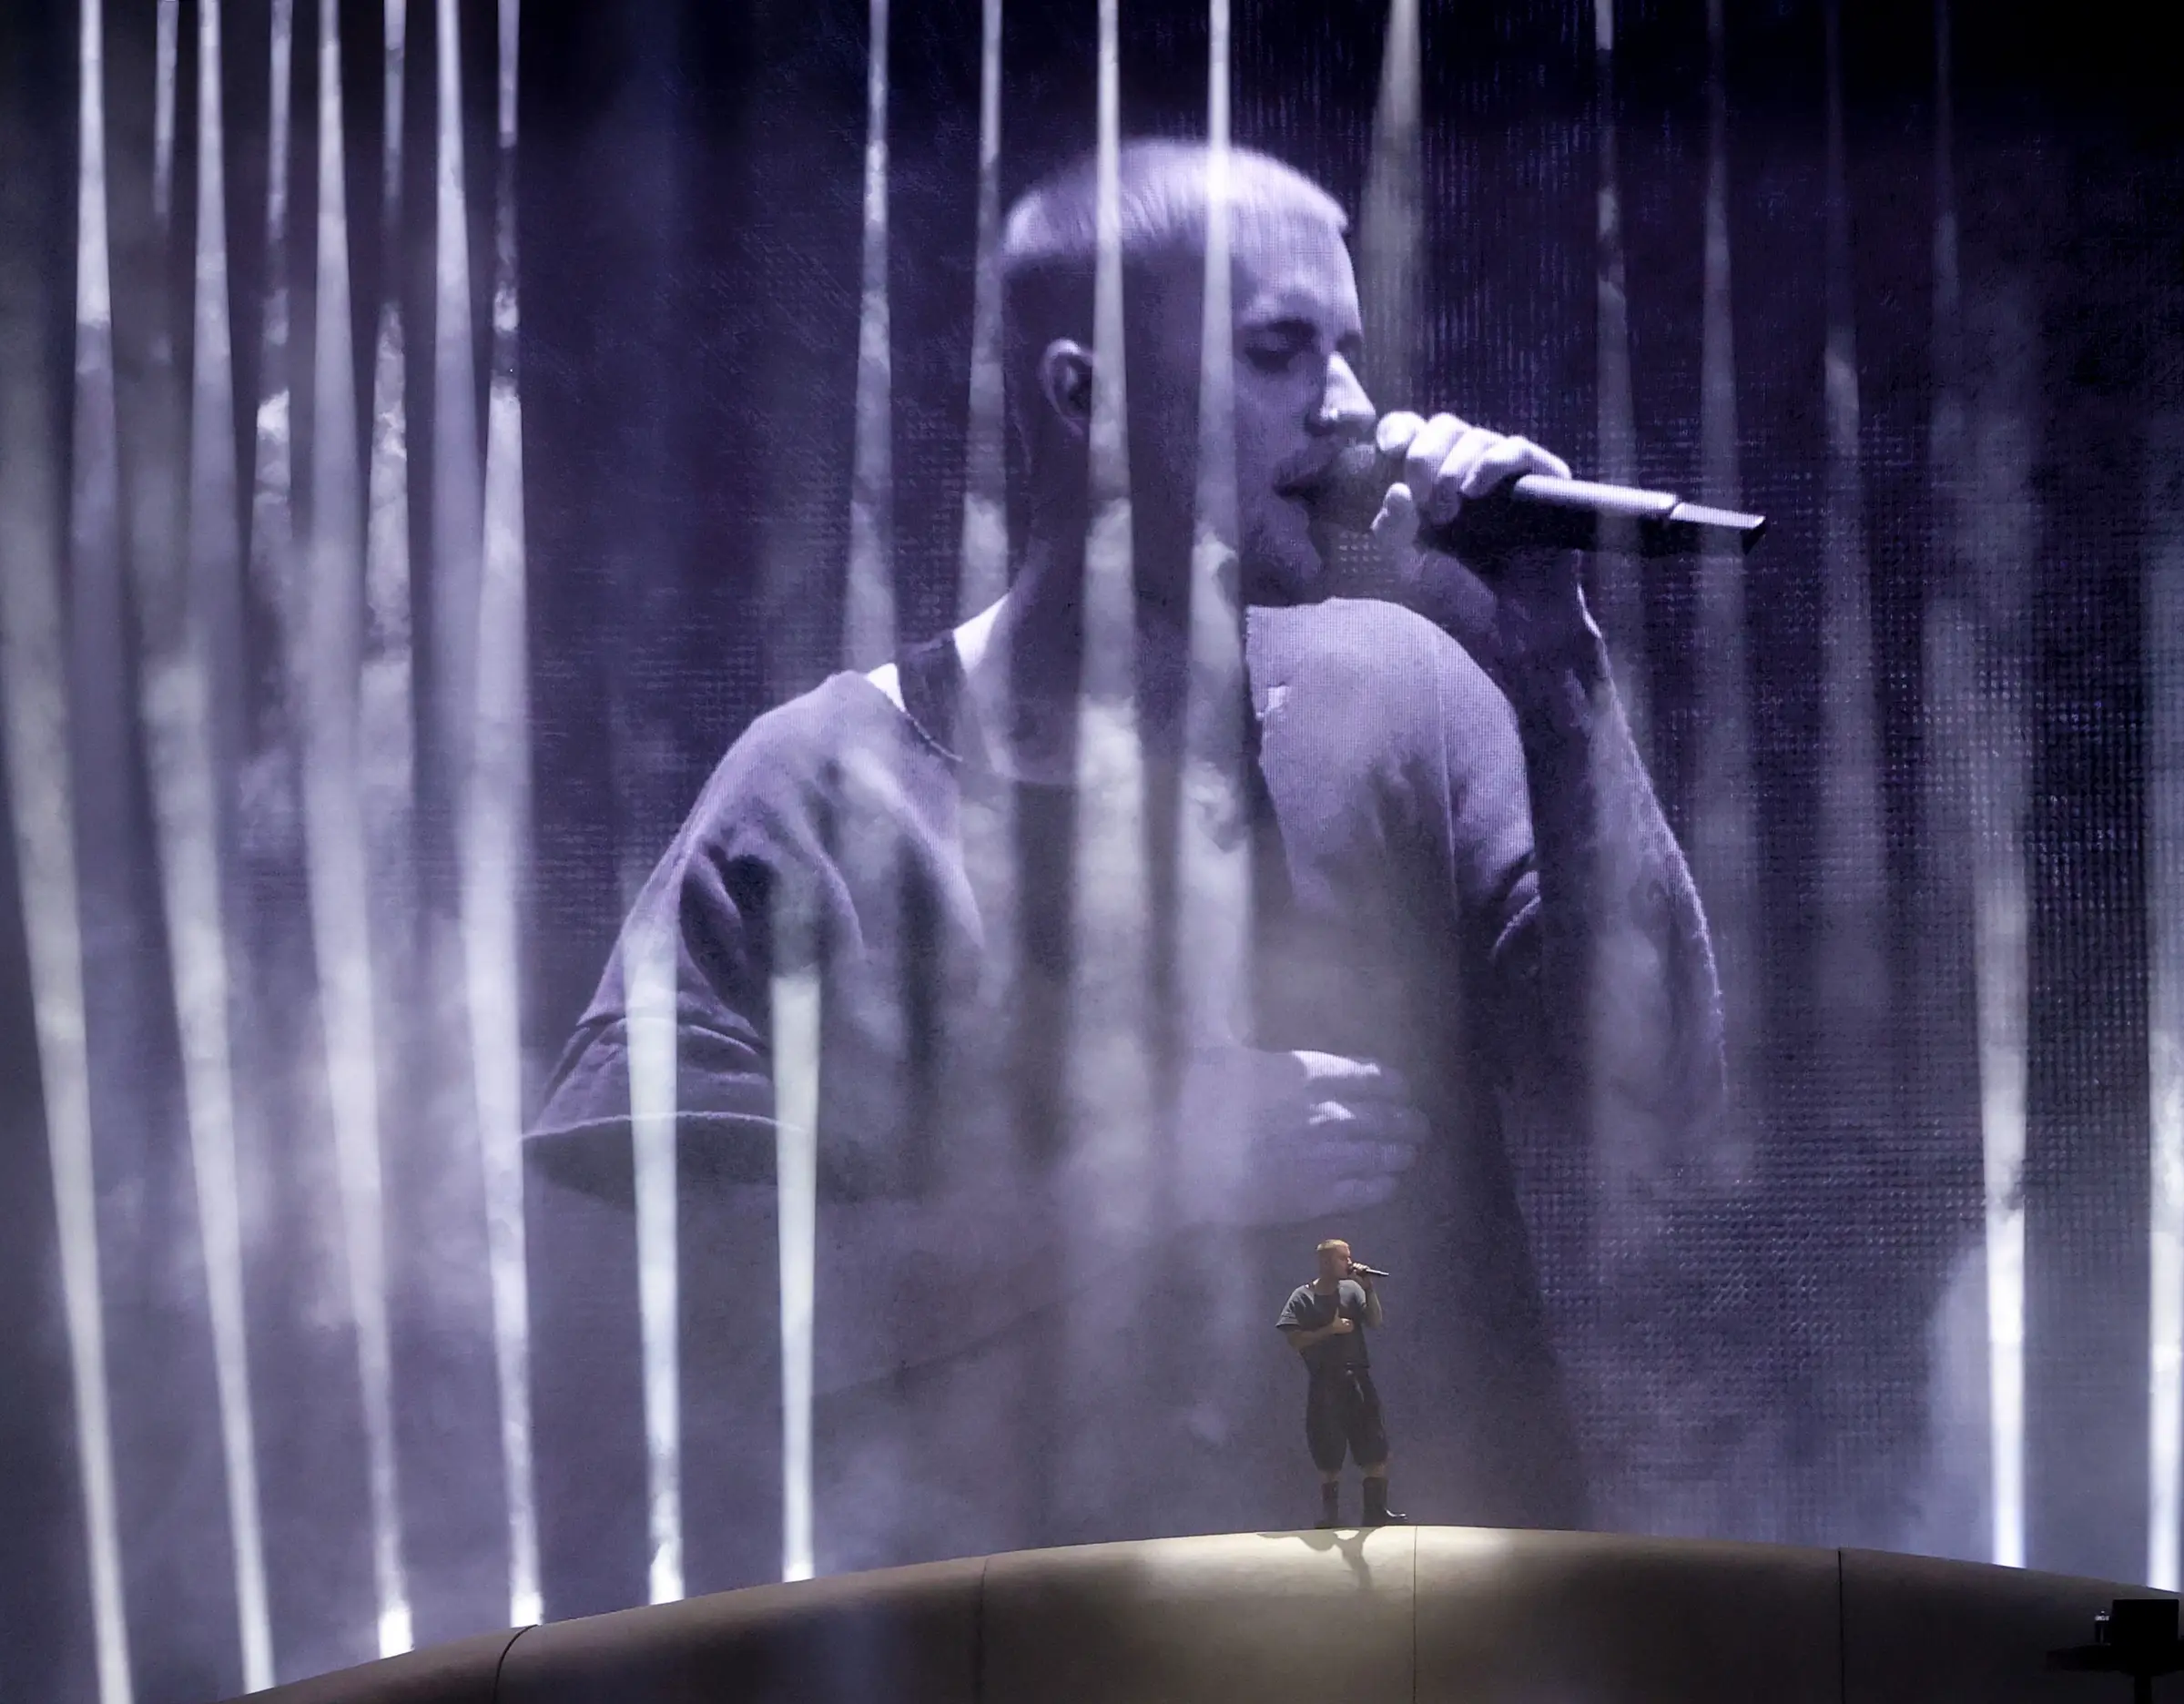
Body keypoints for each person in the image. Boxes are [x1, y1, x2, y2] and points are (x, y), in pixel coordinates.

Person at [530, 137, 1721, 1581]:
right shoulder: (818, 793)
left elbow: (1658, 1091)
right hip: (1019, 1673)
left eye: (1349, 350)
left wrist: (1558, 660)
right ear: (1082, 393)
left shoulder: (1408, 696)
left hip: (1434, 1645)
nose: (1353, 407)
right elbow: (694, 1318)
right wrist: (1148, 1180)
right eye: (1280, 350)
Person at [1278, 1241, 1404, 1529]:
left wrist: (1368, 1289)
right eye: (1342, 1258)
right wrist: (1329, 1330)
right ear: (1325, 1262)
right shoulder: (1302, 1297)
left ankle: (1376, 1511)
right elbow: (1294, 1340)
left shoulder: (1352, 1290)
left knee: (1373, 1444)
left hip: (1357, 1376)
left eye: (1349, 1257)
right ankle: (1331, 1517)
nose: (1349, 1262)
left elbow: (1375, 1322)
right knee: (1328, 1448)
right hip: (1325, 1381)